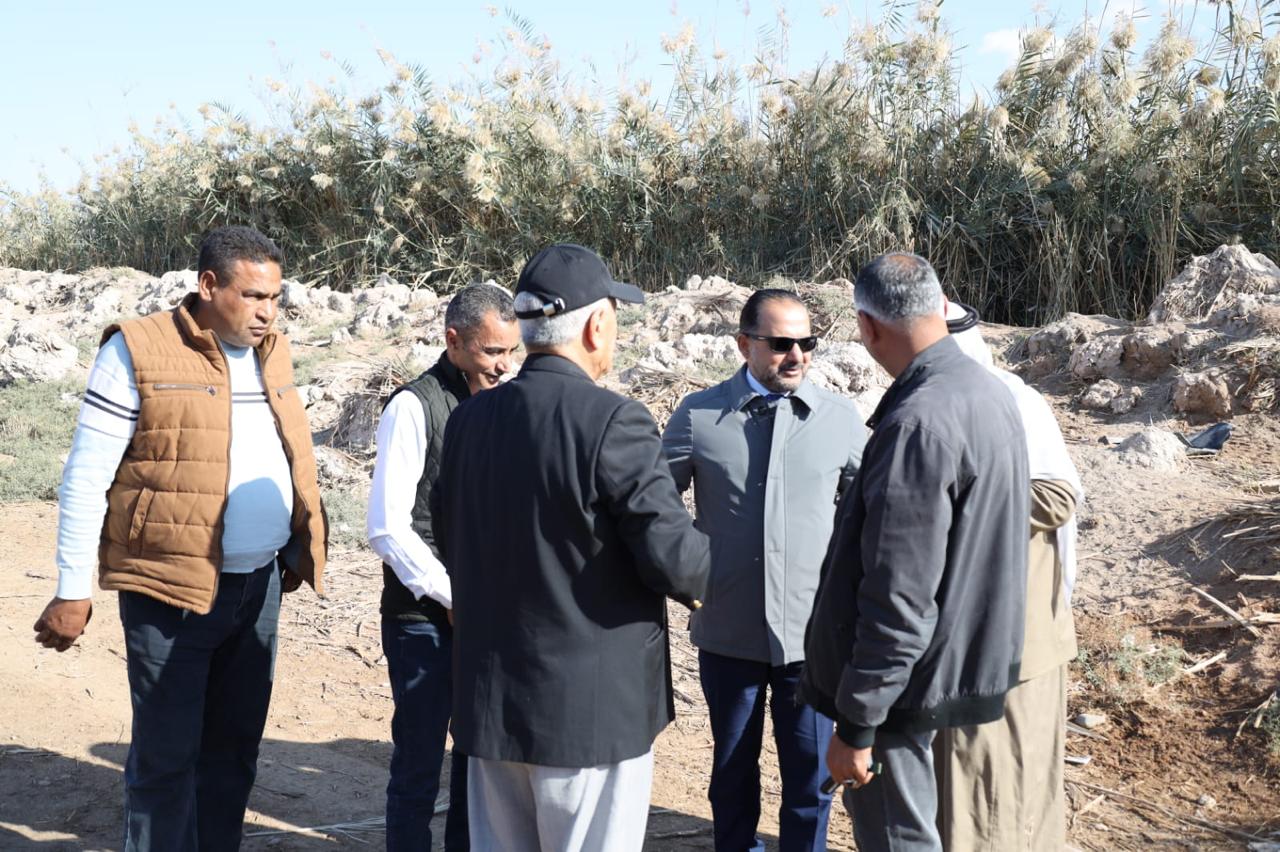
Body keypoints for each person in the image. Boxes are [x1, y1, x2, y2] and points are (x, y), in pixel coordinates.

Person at [32, 225, 328, 851]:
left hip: (259, 586)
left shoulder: (274, 351)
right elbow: (86, 475)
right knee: (167, 759)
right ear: (208, 285)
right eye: (252, 296)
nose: (267, 312)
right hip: (167, 590)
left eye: (275, 297)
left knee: (234, 750)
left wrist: (300, 542)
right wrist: (72, 588)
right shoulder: (137, 349)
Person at [430, 243, 711, 851]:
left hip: (492, 706)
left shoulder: (469, 420)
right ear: (596, 325)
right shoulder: (613, 420)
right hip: (589, 714)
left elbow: (451, 536)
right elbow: (675, 561)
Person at [799, 252, 1029, 852]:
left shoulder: (917, 423)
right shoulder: (987, 391)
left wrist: (859, 721)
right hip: (951, 666)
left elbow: (898, 593)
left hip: (902, 687)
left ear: (867, 327)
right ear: (940, 307)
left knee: (899, 838)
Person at [662, 289, 867, 852]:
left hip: (811, 643)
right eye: (779, 344)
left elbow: (873, 510)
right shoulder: (700, 415)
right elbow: (651, 506)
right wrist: (690, 573)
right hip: (728, 634)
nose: (795, 355)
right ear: (743, 344)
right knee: (732, 776)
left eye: (806, 342)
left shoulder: (838, 419)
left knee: (810, 780)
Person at [367, 283, 520, 851]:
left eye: (511, 351)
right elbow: (387, 527)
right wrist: (454, 596)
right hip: (423, 620)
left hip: (485, 619)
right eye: (491, 352)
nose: (504, 366)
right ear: (453, 341)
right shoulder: (413, 407)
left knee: (477, 765)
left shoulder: (506, 405)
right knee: (419, 762)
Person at [934, 302, 1084, 851]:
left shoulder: (1016, 402)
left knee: (1006, 782)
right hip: (955, 636)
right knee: (960, 780)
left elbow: (1056, 496)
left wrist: (955, 496)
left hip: (1016, 635)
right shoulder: (932, 404)